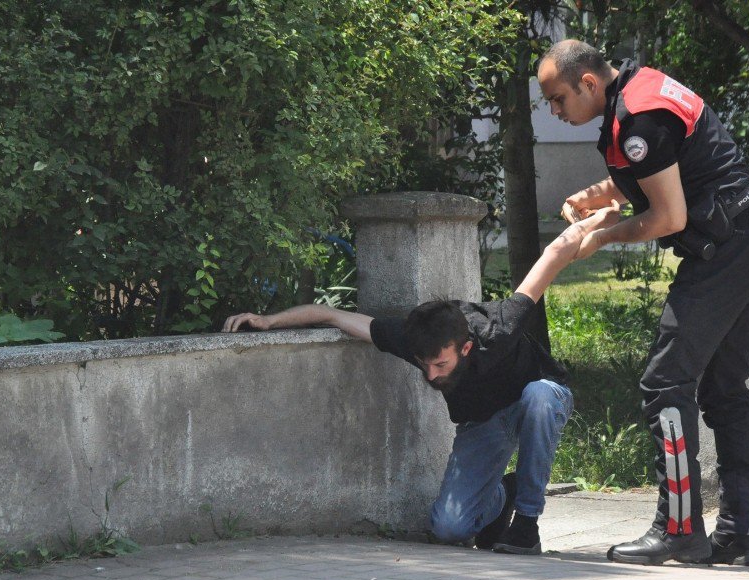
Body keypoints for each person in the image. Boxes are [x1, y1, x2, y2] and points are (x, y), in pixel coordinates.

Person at [222, 212, 614, 554]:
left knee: (540, 395)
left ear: (464, 348)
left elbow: (554, 255)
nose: (431, 376)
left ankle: (527, 524)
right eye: (424, 365)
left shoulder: (500, 324)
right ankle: (504, 495)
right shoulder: (411, 338)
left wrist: (602, 220)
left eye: (440, 364)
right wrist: (269, 321)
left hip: (539, 402)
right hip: (482, 423)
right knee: (449, 529)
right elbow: (335, 316)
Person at [537, 39, 749, 566]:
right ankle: (741, 532)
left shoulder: (639, 115)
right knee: (723, 388)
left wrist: (597, 238)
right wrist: (596, 197)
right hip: (746, 234)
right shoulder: (637, 90)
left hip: (727, 246)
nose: (554, 112)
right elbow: (659, 171)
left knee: (664, 382)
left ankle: (678, 529)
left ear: (587, 83)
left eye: (557, 99)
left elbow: (667, 217)